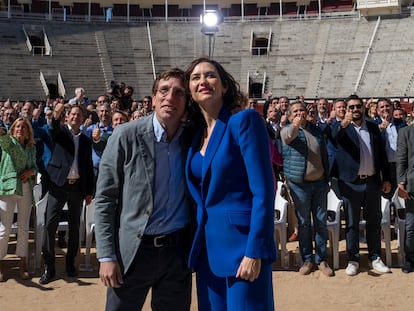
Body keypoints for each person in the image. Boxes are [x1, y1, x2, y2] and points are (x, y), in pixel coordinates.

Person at [94, 68, 194, 311]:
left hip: (177, 253)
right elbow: (105, 198)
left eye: (179, 92)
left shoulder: (192, 139)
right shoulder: (125, 135)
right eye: (164, 90)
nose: (170, 97)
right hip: (133, 252)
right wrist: (106, 256)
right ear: (153, 97)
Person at [184, 57, 276, 310]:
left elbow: (263, 191)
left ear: (224, 86)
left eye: (210, 75)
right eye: (195, 77)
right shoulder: (194, 136)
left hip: (242, 248)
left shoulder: (243, 121)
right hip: (207, 251)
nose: (203, 81)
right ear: (190, 92)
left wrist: (255, 251)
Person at [331, 94, 391, 276]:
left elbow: (382, 154)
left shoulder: (373, 127)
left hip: (372, 181)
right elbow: (333, 136)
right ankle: (353, 259)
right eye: (351, 107)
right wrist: (343, 123)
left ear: (363, 108)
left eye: (358, 106)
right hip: (351, 183)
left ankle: (375, 257)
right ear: (346, 109)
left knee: (374, 222)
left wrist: (386, 178)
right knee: (351, 223)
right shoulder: (341, 127)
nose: (355, 110)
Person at [39, 103, 94, 284]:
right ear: (67, 117)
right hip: (57, 184)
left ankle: (71, 264)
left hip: (77, 187)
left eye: (79, 115)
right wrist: (57, 111)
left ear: (83, 118)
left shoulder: (85, 140)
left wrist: (89, 191)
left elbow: (87, 166)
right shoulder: (60, 132)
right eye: (73, 114)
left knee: (74, 227)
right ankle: (50, 266)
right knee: (49, 225)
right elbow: (52, 126)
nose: (76, 117)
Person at [280, 101, 333, 277]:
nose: (299, 113)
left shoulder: (316, 129)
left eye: (302, 109)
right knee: (303, 223)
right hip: (299, 185)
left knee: (321, 222)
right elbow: (288, 137)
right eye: (295, 111)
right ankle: (307, 259)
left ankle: (321, 259)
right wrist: (295, 124)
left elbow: (324, 152)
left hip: (319, 183)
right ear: (289, 115)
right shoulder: (287, 130)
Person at [0, 118, 37, 282]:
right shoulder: (8, 143)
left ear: (28, 132)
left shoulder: (31, 148)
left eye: (24, 127)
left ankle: (23, 263)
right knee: (4, 229)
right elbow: (3, 138)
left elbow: (34, 166)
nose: (20, 129)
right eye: (17, 126)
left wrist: (30, 172)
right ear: (13, 129)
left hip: (26, 188)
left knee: (23, 229)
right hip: (8, 188)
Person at [396, 124, 414, 273]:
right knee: (410, 226)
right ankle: (410, 259)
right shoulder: (405, 132)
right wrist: (401, 183)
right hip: (412, 185)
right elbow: (401, 158)